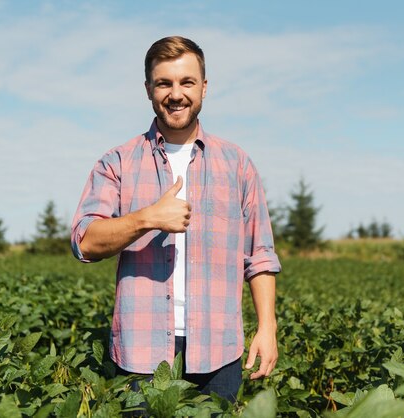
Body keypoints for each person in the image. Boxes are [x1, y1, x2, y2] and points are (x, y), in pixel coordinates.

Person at [70, 36, 281, 402]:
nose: (176, 93)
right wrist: (147, 218)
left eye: (186, 82)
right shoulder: (117, 162)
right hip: (141, 355)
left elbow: (259, 255)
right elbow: (85, 241)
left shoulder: (237, 164)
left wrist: (267, 327)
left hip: (219, 351)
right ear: (148, 89)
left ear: (203, 87)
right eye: (164, 83)